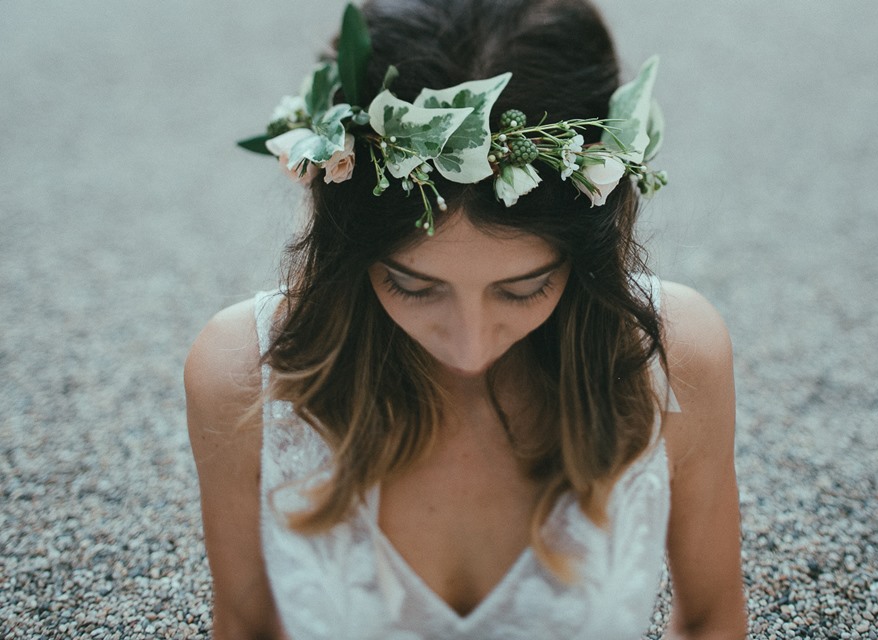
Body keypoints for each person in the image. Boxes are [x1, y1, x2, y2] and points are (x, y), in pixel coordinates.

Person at [182, 1, 747, 637]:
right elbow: (246, 628)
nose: (470, 347)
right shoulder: (241, 376)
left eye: (525, 288)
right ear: (350, 246)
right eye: (412, 285)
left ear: (587, 249)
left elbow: (710, 623)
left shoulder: (675, 357)